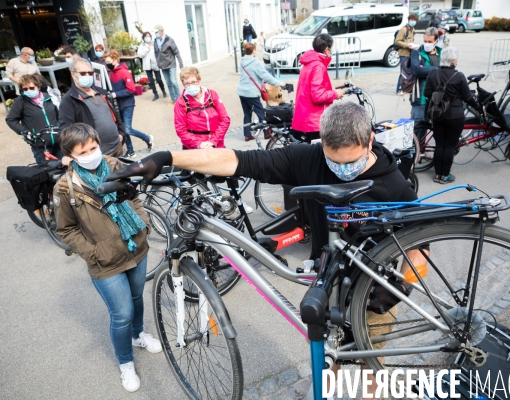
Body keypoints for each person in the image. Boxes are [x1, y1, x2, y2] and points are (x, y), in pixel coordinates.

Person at [105, 102, 427, 398]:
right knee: (328, 358)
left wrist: (403, 286)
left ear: (370, 141)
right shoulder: (310, 158)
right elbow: (237, 160)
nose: (342, 169)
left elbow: (420, 243)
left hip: (372, 291)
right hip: (326, 283)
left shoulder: (393, 185)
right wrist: (168, 158)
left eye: (351, 162)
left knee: (370, 363)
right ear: (322, 144)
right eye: (334, 161)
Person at [53, 123, 162, 393]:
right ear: (71, 155)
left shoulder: (116, 167)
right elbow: (65, 229)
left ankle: (139, 335)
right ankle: (125, 363)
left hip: (136, 247)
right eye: (83, 151)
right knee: (121, 314)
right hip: (105, 263)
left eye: (94, 147)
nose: (91, 154)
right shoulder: (65, 187)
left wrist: (144, 224)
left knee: (137, 299)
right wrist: (93, 252)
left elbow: (134, 198)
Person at [424, 47, 481, 184]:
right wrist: (478, 108)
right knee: (449, 145)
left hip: (437, 115)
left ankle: (437, 175)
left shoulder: (433, 74)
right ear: (454, 61)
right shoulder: (459, 76)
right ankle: (446, 175)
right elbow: (467, 97)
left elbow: (427, 93)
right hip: (455, 116)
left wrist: (438, 98)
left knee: (439, 145)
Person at [59, 56, 125, 157]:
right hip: (96, 155)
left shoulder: (102, 92)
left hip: (117, 148)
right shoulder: (69, 101)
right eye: (83, 73)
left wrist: (121, 133)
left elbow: (115, 113)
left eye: (90, 73)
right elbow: (66, 132)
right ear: (73, 75)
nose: (87, 76)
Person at [291, 34, 344, 143]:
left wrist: (331, 91)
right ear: (326, 50)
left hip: (305, 115)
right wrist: (335, 94)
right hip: (314, 120)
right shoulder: (318, 66)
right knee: (317, 155)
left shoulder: (309, 63)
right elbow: (318, 96)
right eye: (331, 49)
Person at [104, 50, 153, 158]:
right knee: (123, 129)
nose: (107, 64)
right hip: (118, 104)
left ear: (115, 60)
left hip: (127, 105)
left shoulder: (125, 73)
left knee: (128, 129)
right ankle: (130, 151)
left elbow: (131, 90)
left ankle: (147, 138)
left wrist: (115, 94)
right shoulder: (111, 74)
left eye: (108, 62)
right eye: (106, 62)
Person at [6, 73, 62, 163]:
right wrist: (25, 131)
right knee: (47, 172)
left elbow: (59, 116)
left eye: (31, 88)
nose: (28, 90)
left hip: (59, 141)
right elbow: (11, 120)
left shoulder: (49, 98)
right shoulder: (21, 101)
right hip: (41, 145)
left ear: (38, 87)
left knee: (65, 169)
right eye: (25, 89)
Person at [174, 67, 230, 149]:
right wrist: (199, 144)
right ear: (183, 85)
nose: (191, 86)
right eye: (187, 84)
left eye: (193, 82)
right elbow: (180, 129)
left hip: (216, 143)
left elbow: (225, 119)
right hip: (194, 147)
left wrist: (213, 141)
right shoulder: (181, 102)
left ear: (199, 81)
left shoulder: (212, 94)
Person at [238, 42, 284, 141]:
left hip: (242, 92)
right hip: (252, 93)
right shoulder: (256, 63)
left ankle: (247, 134)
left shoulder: (242, 61)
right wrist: (278, 83)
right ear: (254, 51)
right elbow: (265, 76)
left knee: (247, 114)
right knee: (261, 113)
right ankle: (266, 132)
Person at [410, 27, 442, 140]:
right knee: (417, 125)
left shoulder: (441, 53)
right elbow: (417, 70)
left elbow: (448, 70)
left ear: (436, 41)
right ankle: (414, 152)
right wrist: (438, 69)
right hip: (420, 95)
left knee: (428, 125)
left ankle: (422, 149)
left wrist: (426, 69)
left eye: (430, 42)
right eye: (425, 41)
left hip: (436, 97)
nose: (426, 44)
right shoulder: (416, 52)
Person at [154, 24, 183, 104]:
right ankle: (173, 98)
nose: (155, 33)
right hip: (162, 66)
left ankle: (179, 98)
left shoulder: (169, 40)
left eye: (156, 32)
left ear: (161, 31)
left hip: (171, 64)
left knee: (173, 81)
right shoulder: (155, 41)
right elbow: (156, 53)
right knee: (168, 83)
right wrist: (157, 63)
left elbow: (177, 52)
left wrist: (181, 65)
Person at [137, 32, 167, 102]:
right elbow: (140, 55)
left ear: (150, 37)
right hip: (147, 66)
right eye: (146, 37)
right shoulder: (141, 46)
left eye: (148, 36)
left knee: (159, 79)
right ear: (143, 38)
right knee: (151, 81)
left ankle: (163, 91)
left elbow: (159, 52)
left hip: (155, 64)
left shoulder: (154, 43)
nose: (147, 38)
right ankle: (155, 94)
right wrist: (147, 49)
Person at [394, 13, 419, 96]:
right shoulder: (404, 29)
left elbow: (411, 40)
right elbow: (397, 41)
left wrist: (414, 45)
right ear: (409, 20)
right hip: (403, 53)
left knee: (408, 72)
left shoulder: (413, 29)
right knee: (403, 72)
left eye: (415, 20)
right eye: (412, 20)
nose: (413, 22)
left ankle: (405, 88)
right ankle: (399, 89)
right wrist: (407, 45)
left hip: (410, 53)